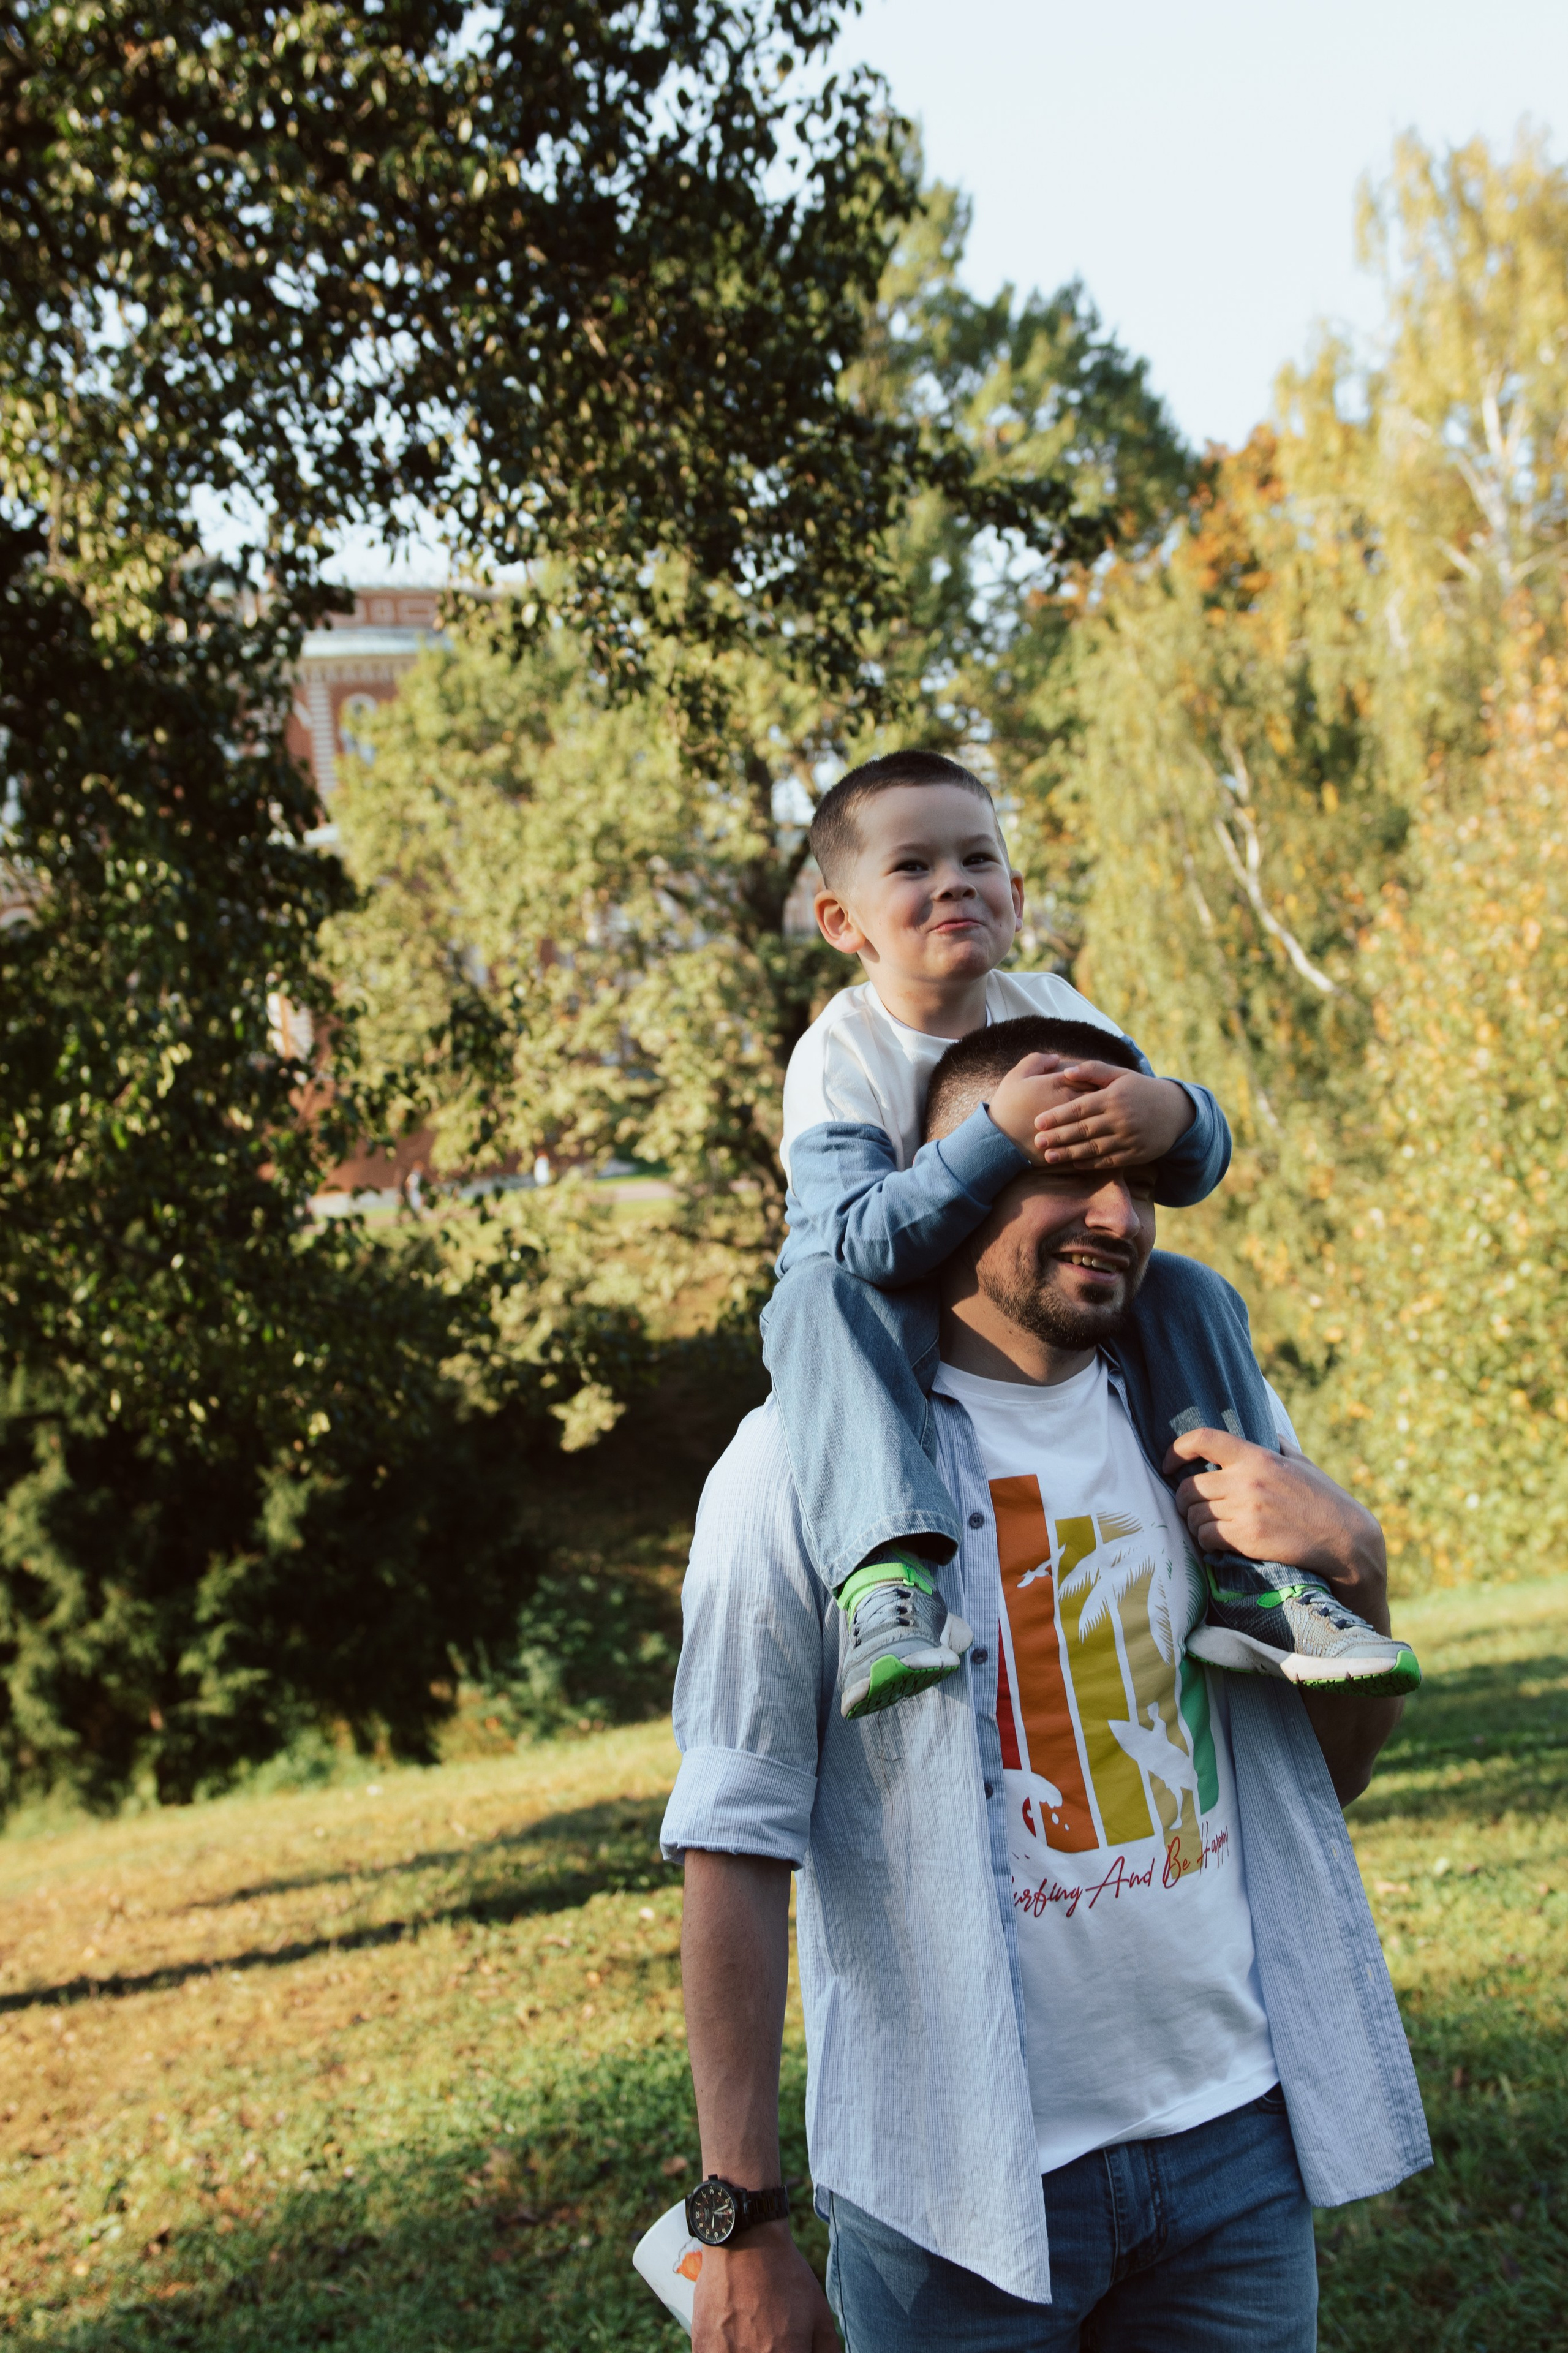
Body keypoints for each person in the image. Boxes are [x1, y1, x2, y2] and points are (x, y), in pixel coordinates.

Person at [662, 1017, 1430, 2352]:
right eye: (1068, 1171)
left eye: (1134, 1177)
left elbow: (1335, 1773)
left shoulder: (1205, 1423)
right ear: (951, 1179)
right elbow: (734, 1833)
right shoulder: (791, 1464)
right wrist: (741, 2217)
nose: (1117, 1214)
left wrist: (1353, 1567)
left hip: (1233, 2148)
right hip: (951, 2188)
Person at [765, 749, 1418, 1717]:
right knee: (814, 1301)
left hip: (1034, 1286)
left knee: (1188, 1285)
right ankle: (887, 1580)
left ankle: (1249, 1571)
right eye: (912, 866)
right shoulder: (839, 1052)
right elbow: (862, 1243)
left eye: (978, 860)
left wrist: (1178, 1116)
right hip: (878, 1311)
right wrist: (998, 1138)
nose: (954, 882)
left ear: (1016, 895)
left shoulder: (1055, 1007)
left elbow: (1184, 1170)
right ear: (841, 920)